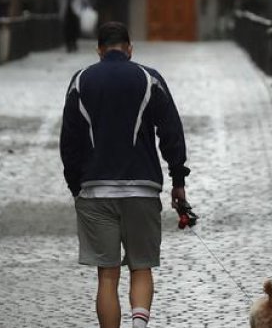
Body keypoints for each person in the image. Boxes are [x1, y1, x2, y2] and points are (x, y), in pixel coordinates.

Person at [59, 22, 190, 328]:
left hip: (95, 190)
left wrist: (75, 185)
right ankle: (139, 325)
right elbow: (171, 132)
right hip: (142, 189)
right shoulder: (149, 79)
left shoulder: (81, 81)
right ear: (130, 48)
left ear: (99, 50)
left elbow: (69, 141)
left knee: (107, 275)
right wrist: (178, 181)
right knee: (141, 268)